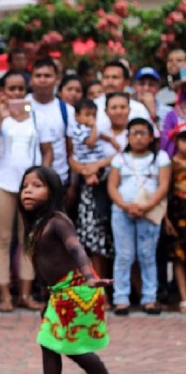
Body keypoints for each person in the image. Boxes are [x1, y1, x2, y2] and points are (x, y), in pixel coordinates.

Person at [17, 166, 125, 374]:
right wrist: (47, 299)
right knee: (48, 342)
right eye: (25, 186)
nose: (28, 191)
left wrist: (89, 276)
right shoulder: (37, 224)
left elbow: (76, 248)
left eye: (36, 185)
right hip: (60, 293)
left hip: (79, 290)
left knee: (70, 346)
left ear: (53, 190)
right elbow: (46, 267)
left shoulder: (58, 221)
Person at [0, 70, 46, 312]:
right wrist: (0, 119)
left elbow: (47, 149)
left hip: (29, 185)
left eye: (21, 89)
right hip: (0, 183)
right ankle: (5, 295)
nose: (17, 93)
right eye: (12, 89)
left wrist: (42, 179)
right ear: (3, 91)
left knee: (28, 238)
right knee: (1, 239)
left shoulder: (36, 116)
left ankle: (25, 295)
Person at [107, 118, 171, 315]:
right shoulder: (120, 159)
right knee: (124, 255)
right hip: (122, 211)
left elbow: (163, 185)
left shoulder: (160, 157)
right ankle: (121, 298)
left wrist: (146, 206)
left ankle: (149, 298)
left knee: (147, 255)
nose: (138, 137)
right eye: (134, 133)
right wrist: (126, 206)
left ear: (151, 137)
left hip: (149, 211)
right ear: (128, 136)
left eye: (143, 133)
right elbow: (112, 186)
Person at [72, 93, 130, 285]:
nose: (90, 119)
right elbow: (74, 158)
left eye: (92, 115)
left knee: (110, 244)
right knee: (93, 242)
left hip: (115, 194)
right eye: (86, 115)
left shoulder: (132, 132)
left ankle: (113, 289)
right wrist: (88, 169)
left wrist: (98, 165)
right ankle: (97, 288)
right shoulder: (82, 131)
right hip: (92, 195)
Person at [27, 58, 73, 186]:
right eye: (38, 76)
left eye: (47, 76)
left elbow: (71, 149)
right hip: (26, 181)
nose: (42, 80)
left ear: (57, 79)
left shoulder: (67, 111)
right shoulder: (22, 106)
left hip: (58, 179)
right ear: (31, 79)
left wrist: (73, 186)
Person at [164, 124, 186, 313]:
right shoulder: (170, 164)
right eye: (183, 139)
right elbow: (165, 192)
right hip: (178, 213)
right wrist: (165, 219)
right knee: (179, 257)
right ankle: (183, 297)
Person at [133, 67, 170, 133]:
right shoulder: (127, 108)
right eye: (141, 84)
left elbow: (165, 139)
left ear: (158, 88)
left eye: (151, 85)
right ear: (134, 86)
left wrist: (152, 112)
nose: (146, 88)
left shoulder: (168, 112)